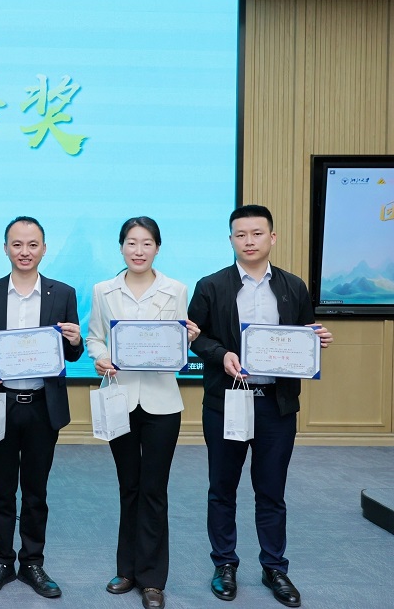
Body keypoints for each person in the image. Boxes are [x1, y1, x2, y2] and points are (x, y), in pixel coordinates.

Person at [188, 205, 332, 608]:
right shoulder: (210, 285)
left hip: (276, 406)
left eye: (256, 233)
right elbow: (195, 336)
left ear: (272, 237)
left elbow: (303, 334)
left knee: (271, 491)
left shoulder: (293, 286)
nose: (248, 241)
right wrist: (221, 354)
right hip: (227, 403)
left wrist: (316, 339)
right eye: (240, 234)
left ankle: (274, 567)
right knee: (222, 489)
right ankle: (224, 564)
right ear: (231, 240)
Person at [86, 216, 201, 609]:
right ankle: (127, 570)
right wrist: (101, 357)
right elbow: (95, 337)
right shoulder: (103, 290)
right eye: (131, 243)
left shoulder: (176, 290)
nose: (138, 250)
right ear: (121, 247)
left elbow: (178, 345)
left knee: (154, 488)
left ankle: (152, 579)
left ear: (157, 248)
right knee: (128, 486)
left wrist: (188, 339)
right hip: (119, 397)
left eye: (146, 243)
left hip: (162, 402)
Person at [0, 216, 83, 600]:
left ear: (44, 249)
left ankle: (32, 562)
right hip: (0, 403)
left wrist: (75, 340)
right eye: (17, 244)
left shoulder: (62, 293)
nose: (25, 252)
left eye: (32, 245)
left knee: (35, 491)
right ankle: (2, 561)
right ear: (5, 248)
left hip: (41, 408)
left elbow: (71, 353)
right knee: (1, 491)